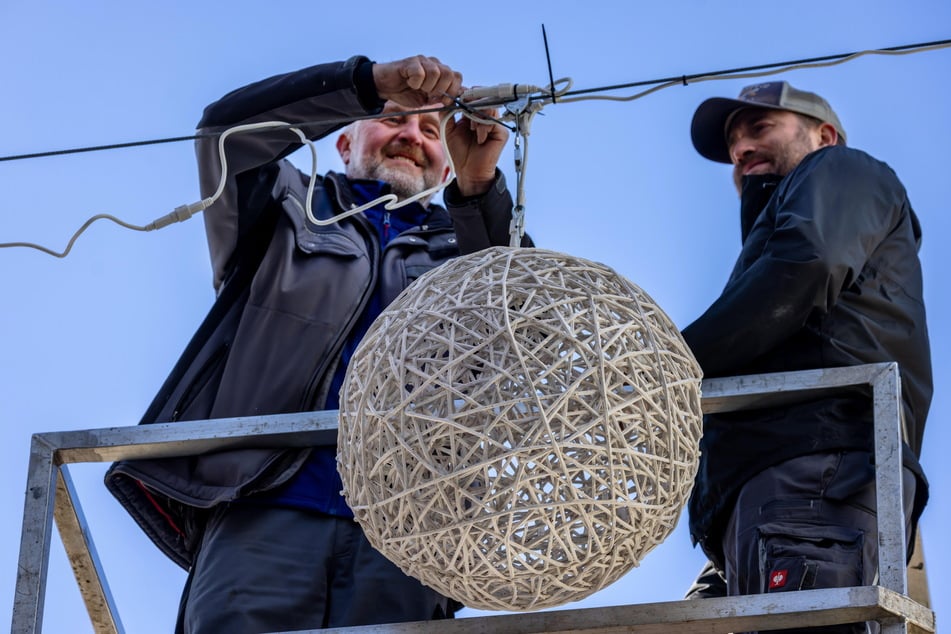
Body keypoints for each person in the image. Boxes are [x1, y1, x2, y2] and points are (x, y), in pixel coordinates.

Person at [105, 54, 528, 633]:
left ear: (446, 168)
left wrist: (480, 189)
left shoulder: (465, 247)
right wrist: (366, 83)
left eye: (431, 132)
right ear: (343, 143)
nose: (411, 136)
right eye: (392, 119)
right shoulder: (281, 207)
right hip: (262, 508)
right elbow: (225, 132)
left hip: (411, 530)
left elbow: (526, 326)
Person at [679, 81, 932, 633]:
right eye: (733, 144)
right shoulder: (768, 249)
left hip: (815, 472)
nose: (740, 148)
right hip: (788, 487)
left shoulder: (841, 169)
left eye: (760, 127)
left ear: (825, 134)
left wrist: (667, 364)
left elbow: (803, 269)